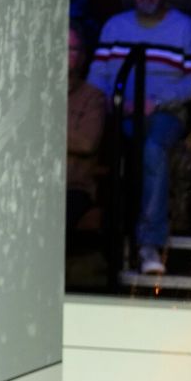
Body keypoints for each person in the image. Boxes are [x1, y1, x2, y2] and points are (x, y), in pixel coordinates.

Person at [87, 0, 191, 275]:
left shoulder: (182, 27)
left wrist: (157, 102)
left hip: (166, 114)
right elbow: (98, 76)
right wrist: (110, 101)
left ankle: (149, 243)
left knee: (152, 149)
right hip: (121, 113)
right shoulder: (115, 27)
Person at [67, 23, 106, 234]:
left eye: (73, 49)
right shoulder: (34, 94)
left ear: (82, 56)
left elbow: (87, 143)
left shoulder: (92, 97)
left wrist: (41, 134)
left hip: (73, 188)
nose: (68, 54)